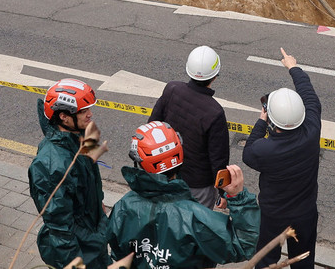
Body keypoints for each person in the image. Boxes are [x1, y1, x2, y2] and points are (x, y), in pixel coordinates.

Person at [108, 121, 260, 268]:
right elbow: (244, 245)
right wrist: (238, 198)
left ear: (139, 162)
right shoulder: (194, 217)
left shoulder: (123, 208)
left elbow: (117, 253)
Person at [242, 48, 322, 269]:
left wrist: (260, 122)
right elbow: (310, 95)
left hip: (273, 216)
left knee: (266, 261)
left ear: (271, 120)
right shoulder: (312, 131)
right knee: (304, 259)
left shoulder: (264, 149)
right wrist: (293, 67)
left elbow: (248, 152)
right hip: (305, 213)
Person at [28, 78, 110, 269]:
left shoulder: (77, 137)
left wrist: (99, 203)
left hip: (93, 238)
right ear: (64, 116)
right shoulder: (51, 165)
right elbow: (60, 229)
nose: (90, 115)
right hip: (81, 250)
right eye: (83, 111)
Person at [148, 45, 229, 208]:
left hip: (167, 175)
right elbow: (218, 159)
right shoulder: (215, 112)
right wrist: (223, 193)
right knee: (195, 228)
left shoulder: (172, 89)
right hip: (198, 186)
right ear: (215, 75)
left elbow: (152, 127)